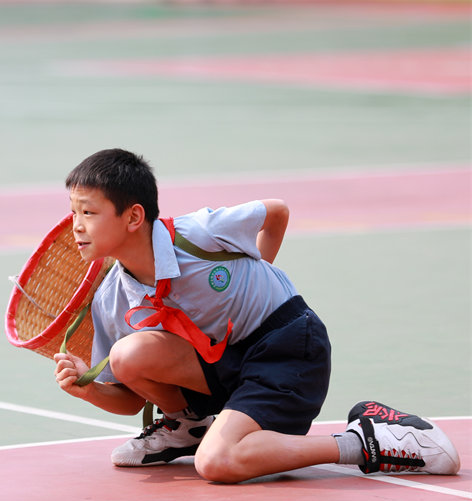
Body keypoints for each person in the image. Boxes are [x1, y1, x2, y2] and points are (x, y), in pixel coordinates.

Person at [53, 148, 460, 483]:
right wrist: (86, 388)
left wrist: (258, 272)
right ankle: (189, 425)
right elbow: (129, 397)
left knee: (217, 462)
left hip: (287, 347)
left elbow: (276, 211)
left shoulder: (198, 233)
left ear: (134, 217)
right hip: (225, 363)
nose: (76, 226)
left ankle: (373, 439)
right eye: (73, 212)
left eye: (88, 213)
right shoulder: (113, 298)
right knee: (127, 355)